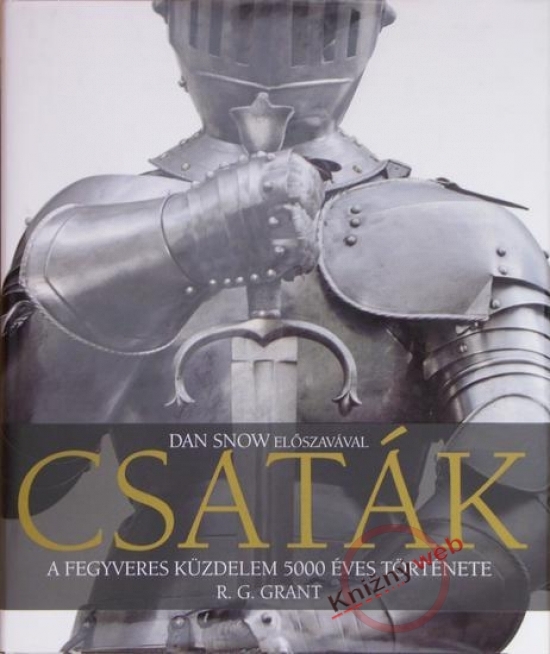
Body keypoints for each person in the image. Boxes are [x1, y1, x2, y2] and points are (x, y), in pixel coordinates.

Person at [3, 1, 549, 652]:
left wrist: (337, 616)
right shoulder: (95, 223)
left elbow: (521, 491)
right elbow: (21, 474)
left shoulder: (460, 234)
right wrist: (173, 241)